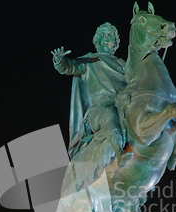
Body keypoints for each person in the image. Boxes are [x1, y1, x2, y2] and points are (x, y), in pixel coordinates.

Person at [51, 22, 133, 167]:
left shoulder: (123, 64)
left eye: (109, 35)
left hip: (123, 107)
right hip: (99, 110)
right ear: (96, 40)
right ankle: (120, 155)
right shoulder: (89, 60)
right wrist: (59, 60)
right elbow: (68, 66)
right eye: (102, 34)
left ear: (115, 42)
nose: (106, 38)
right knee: (110, 114)